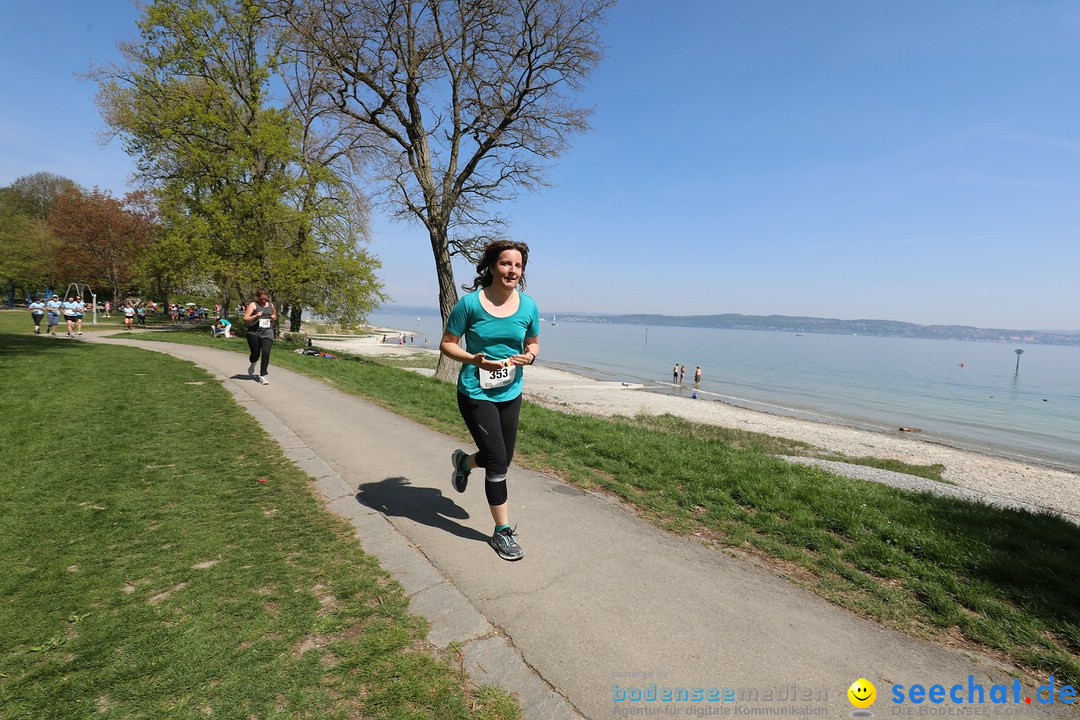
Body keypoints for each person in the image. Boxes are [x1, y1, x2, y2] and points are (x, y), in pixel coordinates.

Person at [440, 240, 539, 562]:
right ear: (492, 266)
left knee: (503, 457)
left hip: (510, 391)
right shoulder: (469, 305)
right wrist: (474, 360)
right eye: (506, 264)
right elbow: (447, 344)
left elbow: (534, 342)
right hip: (475, 391)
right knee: (497, 461)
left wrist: (529, 356)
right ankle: (503, 532)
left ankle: (463, 463)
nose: (512, 270)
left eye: (518, 266)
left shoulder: (528, 306)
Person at [243, 289, 277, 385]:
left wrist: (274, 317)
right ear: (258, 297)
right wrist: (256, 316)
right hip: (254, 332)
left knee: (266, 353)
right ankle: (253, 363)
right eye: (261, 299)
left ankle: (263, 376)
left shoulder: (271, 305)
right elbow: (245, 319)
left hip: (267, 332)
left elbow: (274, 315)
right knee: (255, 354)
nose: (263, 301)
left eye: (265, 299)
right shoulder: (253, 305)